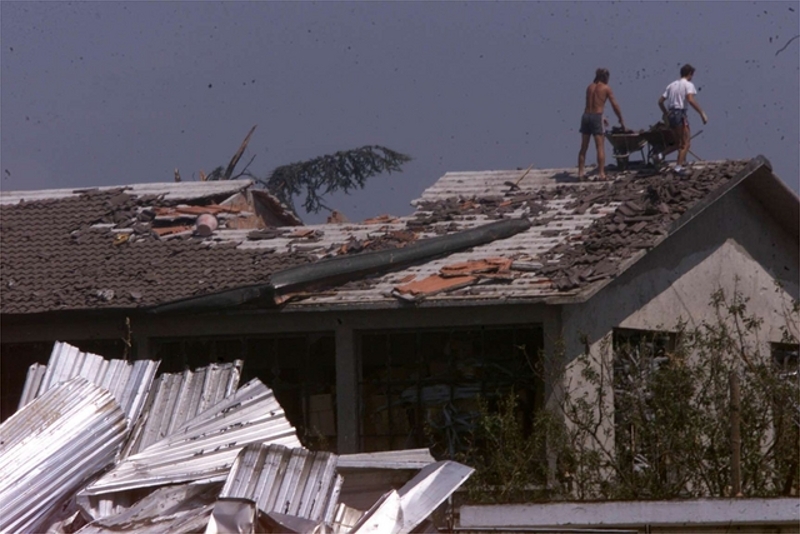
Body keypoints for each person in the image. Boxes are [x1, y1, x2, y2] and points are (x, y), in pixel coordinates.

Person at [657, 64, 708, 175]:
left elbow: (660, 101)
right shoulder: (688, 85)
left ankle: (659, 155)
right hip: (680, 114)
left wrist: (666, 113)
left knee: (677, 143)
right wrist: (701, 113)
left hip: (671, 115)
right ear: (690, 74)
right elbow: (690, 99)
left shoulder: (671, 85)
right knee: (686, 144)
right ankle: (678, 168)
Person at [578, 68, 626, 181]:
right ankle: (601, 174)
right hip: (596, 117)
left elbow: (591, 104)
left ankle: (580, 173)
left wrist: (602, 117)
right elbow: (615, 105)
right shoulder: (606, 88)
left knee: (584, 146)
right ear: (605, 77)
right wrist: (621, 119)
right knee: (600, 146)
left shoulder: (589, 87)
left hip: (585, 116)